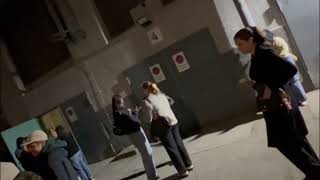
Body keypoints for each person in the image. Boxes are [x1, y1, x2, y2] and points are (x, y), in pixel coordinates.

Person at [234, 27, 320, 179]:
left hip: (279, 106)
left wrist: (270, 87)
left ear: (251, 40)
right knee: (295, 141)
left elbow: (290, 70)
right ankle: (313, 171)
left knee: (288, 143)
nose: (238, 48)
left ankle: (313, 172)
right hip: (274, 106)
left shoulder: (264, 53)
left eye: (240, 44)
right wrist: (255, 84)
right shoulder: (256, 55)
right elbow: (267, 76)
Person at [141, 82, 193, 178]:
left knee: (172, 148)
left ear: (145, 89)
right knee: (179, 144)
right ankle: (189, 164)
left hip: (163, 126)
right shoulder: (161, 94)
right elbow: (171, 101)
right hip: (173, 120)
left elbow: (148, 119)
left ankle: (182, 171)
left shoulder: (146, 101)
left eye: (142, 90)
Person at [112, 95, 159, 180]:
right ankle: (152, 177)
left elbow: (134, 120)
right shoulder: (118, 113)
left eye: (122, 102)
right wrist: (131, 115)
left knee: (149, 152)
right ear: (116, 103)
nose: (122, 104)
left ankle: (154, 174)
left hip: (138, 131)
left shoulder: (123, 110)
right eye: (120, 102)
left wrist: (134, 113)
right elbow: (131, 123)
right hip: (135, 134)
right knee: (146, 154)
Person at [263, 30, 308, 106]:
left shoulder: (276, 41)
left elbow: (282, 53)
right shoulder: (271, 42)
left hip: (285, 60)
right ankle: (296, 100)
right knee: (288, 83)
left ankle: (302, 99)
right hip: (283, 61)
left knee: (294, 81)